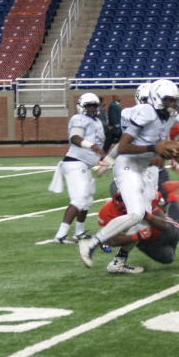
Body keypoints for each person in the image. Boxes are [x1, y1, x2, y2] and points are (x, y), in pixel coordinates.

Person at [78, 79, 179, 268]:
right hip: (128, 166)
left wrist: (172, 155)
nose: (172, 104)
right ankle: (91, 243)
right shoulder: (144, 112)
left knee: (143, 221)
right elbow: (123, 146)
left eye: (173, 100)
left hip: (145, 169)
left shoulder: (169, 117)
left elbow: (162, 145)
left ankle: (119, 261)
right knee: (136, 214)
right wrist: (109, 162)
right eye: (168, 100)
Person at [97, 180, 179, 274]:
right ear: (114, 198)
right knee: (168, 258)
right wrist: (137, 237)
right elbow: (111, 241)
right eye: (121, 198)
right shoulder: (107, 211)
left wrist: (146, 215)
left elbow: (164, 225)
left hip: (159, 229)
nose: (126, 201)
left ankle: (173, 195)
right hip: (143, 240)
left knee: (176, 233)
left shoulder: (145, 200)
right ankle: (118, 262)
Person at [50, 93, 106, 244]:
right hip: (75, 162)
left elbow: (99, 143)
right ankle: (60, 235)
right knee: (79, 198)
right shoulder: (78, 118)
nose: (92, 108)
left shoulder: (97, 121)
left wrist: (103, 158)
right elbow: (75, 138)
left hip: (85, 164)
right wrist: (92, 146)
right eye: (89, 105)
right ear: (82, 106)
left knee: (87, 200)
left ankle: (79, 232)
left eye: (94, 105)